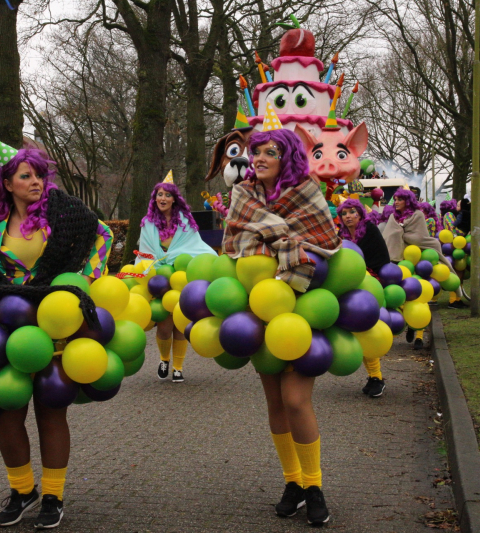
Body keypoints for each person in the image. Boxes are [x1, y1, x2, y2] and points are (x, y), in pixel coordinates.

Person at [0, 139, 100, 529]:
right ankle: (22, 490)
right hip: (4, 326)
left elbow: (102, 235)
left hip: (52, 325)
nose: (36, 181)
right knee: (6, 411)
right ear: (8, 183)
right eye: (26, 175)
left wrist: (86, 279)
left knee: (51, 411)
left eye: (39, 174)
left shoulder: (62, 213)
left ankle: (53, 495)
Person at [223, 125, 340, 526]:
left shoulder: (308, 191)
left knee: (295, 400)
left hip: (304, 307)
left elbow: (324, 239)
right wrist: (284, 243)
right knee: (274, 401)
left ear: (286, 156)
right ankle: (292, 481)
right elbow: (236, 242)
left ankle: (314, 485)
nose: (257, 158)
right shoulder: (243, 194)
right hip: (260, 310)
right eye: (255, 151)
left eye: (268, 152)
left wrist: (276, 240)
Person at [138, 173, 216, 383]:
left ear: (174, 199)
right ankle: (164, 359)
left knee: (181, 325)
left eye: (167, 195)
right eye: (159, 195)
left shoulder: (186, 223)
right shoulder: (147, 224)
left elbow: (196, 248)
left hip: (181, 279)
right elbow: (145, 253)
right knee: (164, 326)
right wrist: (152, 268)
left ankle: (178, 367)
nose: (162, 198)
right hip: (160, 281)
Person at [383, 189, 456, 348]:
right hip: (400, 263)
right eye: (395, 199)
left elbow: (420, 237)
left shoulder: (418, 215)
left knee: (419, 296)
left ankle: (419, 334)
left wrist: (403, 232)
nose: (396, 202)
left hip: (418, 262)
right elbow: (388, 238)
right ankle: (409, 325)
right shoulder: (392, 218)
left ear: (407, 201)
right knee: (401, 297)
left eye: (399, 199)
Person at [338, 199, 390, 398]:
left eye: (352, 212)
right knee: (355, 330)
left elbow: (381, 259)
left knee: (366, 329)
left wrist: (366, 273)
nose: (348, 216)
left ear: (360, 213)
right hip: (349, 285)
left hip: (370, 285)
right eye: (344, 213)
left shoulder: (370, 230)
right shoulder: (341, 235)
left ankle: (376, 377)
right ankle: (373, 376)